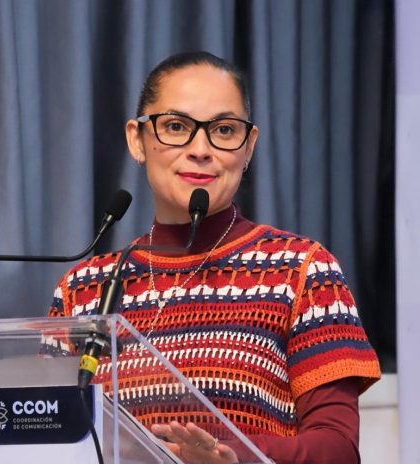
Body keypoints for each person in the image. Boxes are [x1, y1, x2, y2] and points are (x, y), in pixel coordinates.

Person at [42, 51, 381, 464]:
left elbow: (339, 448)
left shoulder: (303, 270)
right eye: (176, 127)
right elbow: (49, 438)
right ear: (137, 139)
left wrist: (234, 456)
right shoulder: (83, 290)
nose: (200, 149)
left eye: (223, 130)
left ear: (248, 147)